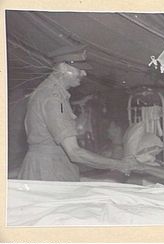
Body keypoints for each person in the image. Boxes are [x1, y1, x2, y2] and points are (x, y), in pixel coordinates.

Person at [18, 52, 141, 182]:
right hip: (49, 171)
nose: (84, 74)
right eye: (80, 69)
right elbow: (74, 152)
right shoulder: (54, 100)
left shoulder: (46, 92)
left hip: (48, 165)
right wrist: (121, 165)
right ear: (64, 68)